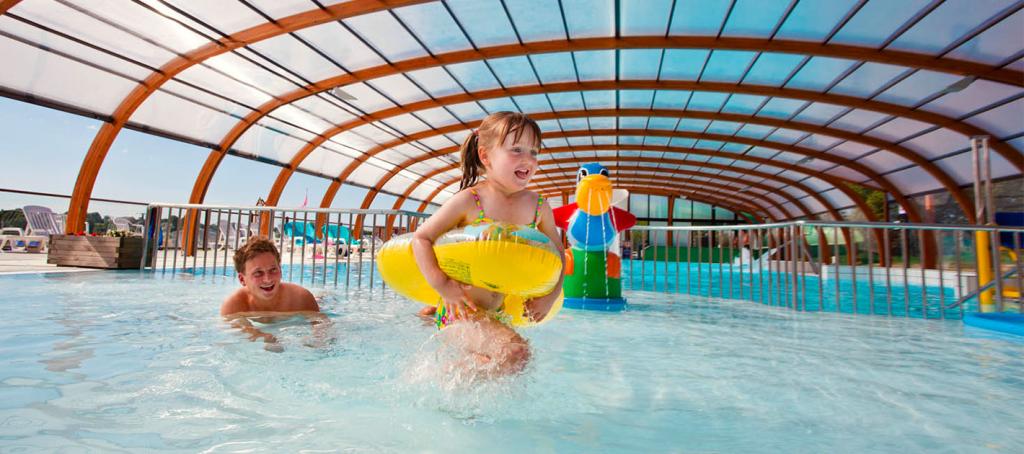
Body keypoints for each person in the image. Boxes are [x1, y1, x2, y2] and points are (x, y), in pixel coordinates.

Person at [411, 111, 563, 376]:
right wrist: (444, 287)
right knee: (516, 352)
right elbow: (421, 239)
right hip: (459, 313)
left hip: (498, 313)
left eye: (534, 152)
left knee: (499, 361)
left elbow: (559, 254)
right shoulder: (472, 200)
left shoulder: (538, 207)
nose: (527, 159)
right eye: (516, 149)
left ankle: (456, 397)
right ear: (485, 156)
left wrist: (550, 296)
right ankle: (436, 379)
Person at [221, 237, 330, 352]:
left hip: (313, 304)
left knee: (321, 300)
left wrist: (318, 340)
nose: (267, 279)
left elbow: (323, 324)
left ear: (280, 270)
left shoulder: (300, 298)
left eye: (273, 270)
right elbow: (242, 332)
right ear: (242, 279)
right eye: (258, 273)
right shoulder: (234, 306)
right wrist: (264, 337)